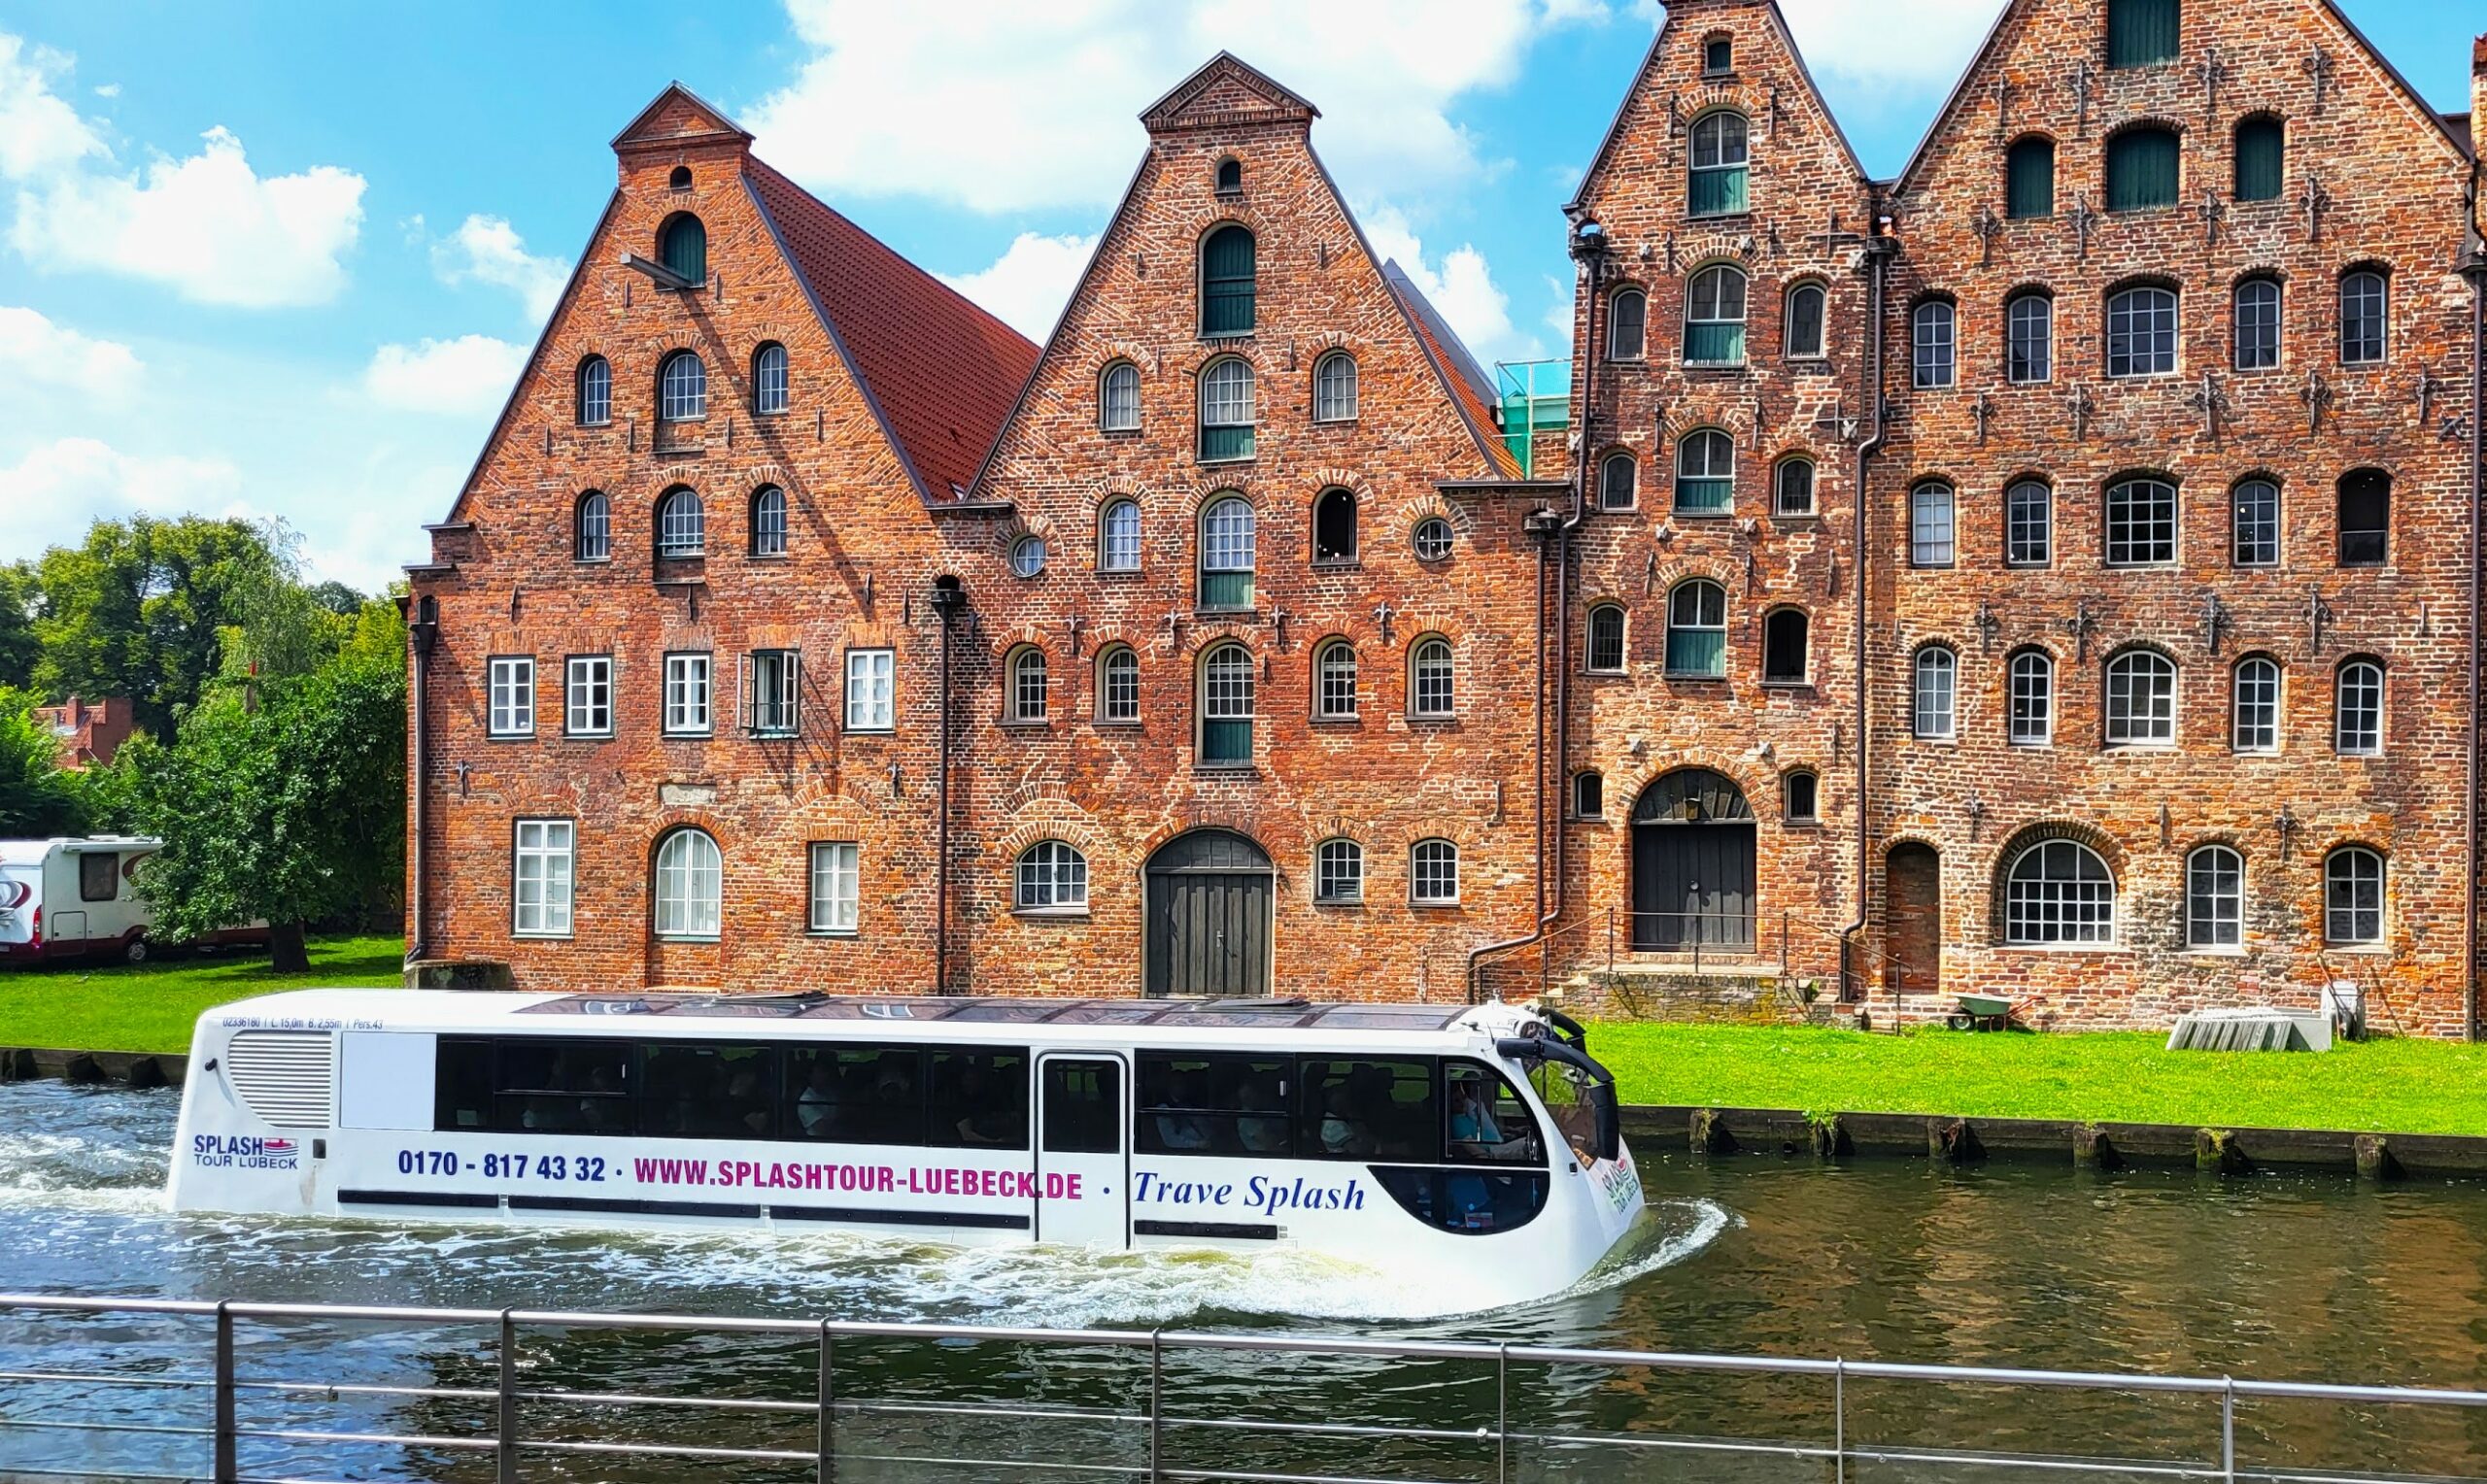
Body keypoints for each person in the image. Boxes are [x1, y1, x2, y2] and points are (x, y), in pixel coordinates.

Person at [1150, 1068, 1213, 1151]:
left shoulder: (1187, 1104)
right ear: (1170, 1086)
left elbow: (1203, 1125)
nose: (1184, 1087)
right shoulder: (1164, 1108)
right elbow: (1170, 1140)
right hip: (1182, 1152)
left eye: (1186, 1083)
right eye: (1179, 1083)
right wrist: (1197, 1144)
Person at [1236, 1076, 1288, 1154]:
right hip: (1264, 1154)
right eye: (1253, 1093)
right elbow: (1268, 1144)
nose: (1258, 1095)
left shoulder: (1253, 1114)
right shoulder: (1246, 1120)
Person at [796, 1058, 839, 1138]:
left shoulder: (829, 1094)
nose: (826, 1075)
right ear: (811, 1076)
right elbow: (821, 1128)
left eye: (826, 1071)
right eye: (820, 1072)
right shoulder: (805, 1100)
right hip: (816, 1141)